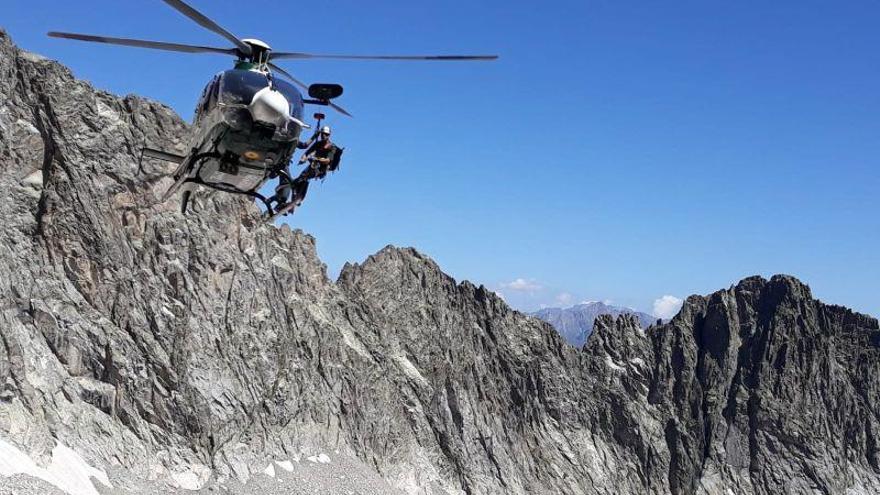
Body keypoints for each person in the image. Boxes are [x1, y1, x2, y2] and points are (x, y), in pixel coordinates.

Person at [269, 125, 338, 211]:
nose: (324, 136)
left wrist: (316, 159)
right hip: (310, 167)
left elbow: (328, 160)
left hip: (318, 170)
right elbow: (306, 151)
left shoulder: (331, 146)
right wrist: (304, 158)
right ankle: (289, 202)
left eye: (326, 134)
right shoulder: (318, 144)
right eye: (322, 134)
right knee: (297, 181)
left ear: (329, 135)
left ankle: (293, 202)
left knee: (301, 180)